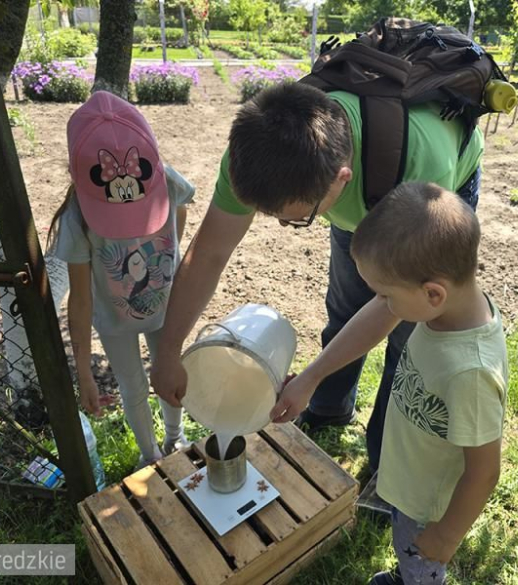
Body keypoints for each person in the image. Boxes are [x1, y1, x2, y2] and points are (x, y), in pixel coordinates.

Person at [151, 82, 483, 475]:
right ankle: (328, 408)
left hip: (421, 194)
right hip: (367, 190)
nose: (284, 225)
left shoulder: (421, 167)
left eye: (298, 219)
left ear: (341, 179)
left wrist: (309, 375)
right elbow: (208, 254)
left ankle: (386, 465)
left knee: (407, 342)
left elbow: (390, 304)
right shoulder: (258, 151)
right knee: (344, 306)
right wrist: (168, 351)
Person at [271, 183, 508, 584]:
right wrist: (311, 378)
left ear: (432, 293)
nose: (383, 303)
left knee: (421, 560)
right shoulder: (442, 309)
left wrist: (446, 535)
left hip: (428, 508)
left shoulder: (471, 372)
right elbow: (381, 313)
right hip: (409, 483)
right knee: (407, 547)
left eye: (386, 294)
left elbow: (484, 472)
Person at [50, 91, 194, 468]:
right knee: (132, 387)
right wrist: (84, 374)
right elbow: (79, 302)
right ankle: (151, 458)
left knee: (168, 373)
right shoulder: (76, 219)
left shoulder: (169, 181)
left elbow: (179, 218)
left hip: (166, 311)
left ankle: (175, 439)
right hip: (114, 322)